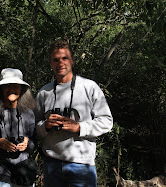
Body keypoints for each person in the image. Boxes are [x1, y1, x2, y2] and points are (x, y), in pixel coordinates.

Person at [35, 41, 113, 187]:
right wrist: (45, 125)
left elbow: (107, 121)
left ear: (72, 60)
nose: (60, 63)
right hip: (52, 165)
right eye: (56, 60)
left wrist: (79, 128)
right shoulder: (44, 93)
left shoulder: (89, 87)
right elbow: (33, 127)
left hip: (82, 165)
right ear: (50, 63)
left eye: (65, 58)